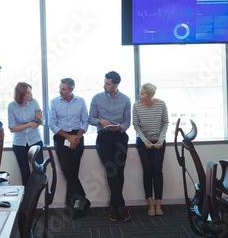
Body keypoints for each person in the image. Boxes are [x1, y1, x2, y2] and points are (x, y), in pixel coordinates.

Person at [88, 71, 131, 222]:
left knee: (119, 171)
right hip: (103, 137)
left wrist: (120, 127)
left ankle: (114, 207)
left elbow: (127, 122)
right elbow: (90, 118)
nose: (104, 85)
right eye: (105, 82)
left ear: (115, 85)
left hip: (120, 136)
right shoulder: (97, 98)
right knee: (111, 169)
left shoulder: (125, 99)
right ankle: (122, 206)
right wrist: (101, 122)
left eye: (107, 83)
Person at [49, 78, 90, 219]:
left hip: (77, 136)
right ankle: (83, 199)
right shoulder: (54, 102)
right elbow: (52, 124)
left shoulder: (81, 102)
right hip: (61, 137)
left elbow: (85, 122)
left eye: (64, 89)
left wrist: (76, 137)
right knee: (67, 168)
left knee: (73, 171)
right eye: (60, 88)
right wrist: (68, 137)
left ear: (71, 90)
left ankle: (72, 207)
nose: (61, 91)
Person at [132, 83, 169, 216]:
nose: (139, 95)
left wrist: (161, 139)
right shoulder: (136, 105)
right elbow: (136, 125)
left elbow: (165, 123)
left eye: (142, 93)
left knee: (157, 171)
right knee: (148, 171)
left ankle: (158, 203)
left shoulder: (161, 104)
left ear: (150, 95)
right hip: (143, 141)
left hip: (159, 140)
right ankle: (150, 204)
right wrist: (145, 140)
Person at [7, 82, 44, 186]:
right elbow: (12, 128)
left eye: (30, 92)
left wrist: (39, 118)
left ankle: (36, 197)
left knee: (39, 171)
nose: (31, 95)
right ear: (21, 94)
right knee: (25, 172)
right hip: (19, 143)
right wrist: (30, 124)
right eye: (28, 93)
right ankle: (28, 200)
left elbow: (42, 122)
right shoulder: (11, 106)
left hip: (35, 140)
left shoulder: (34, 102)